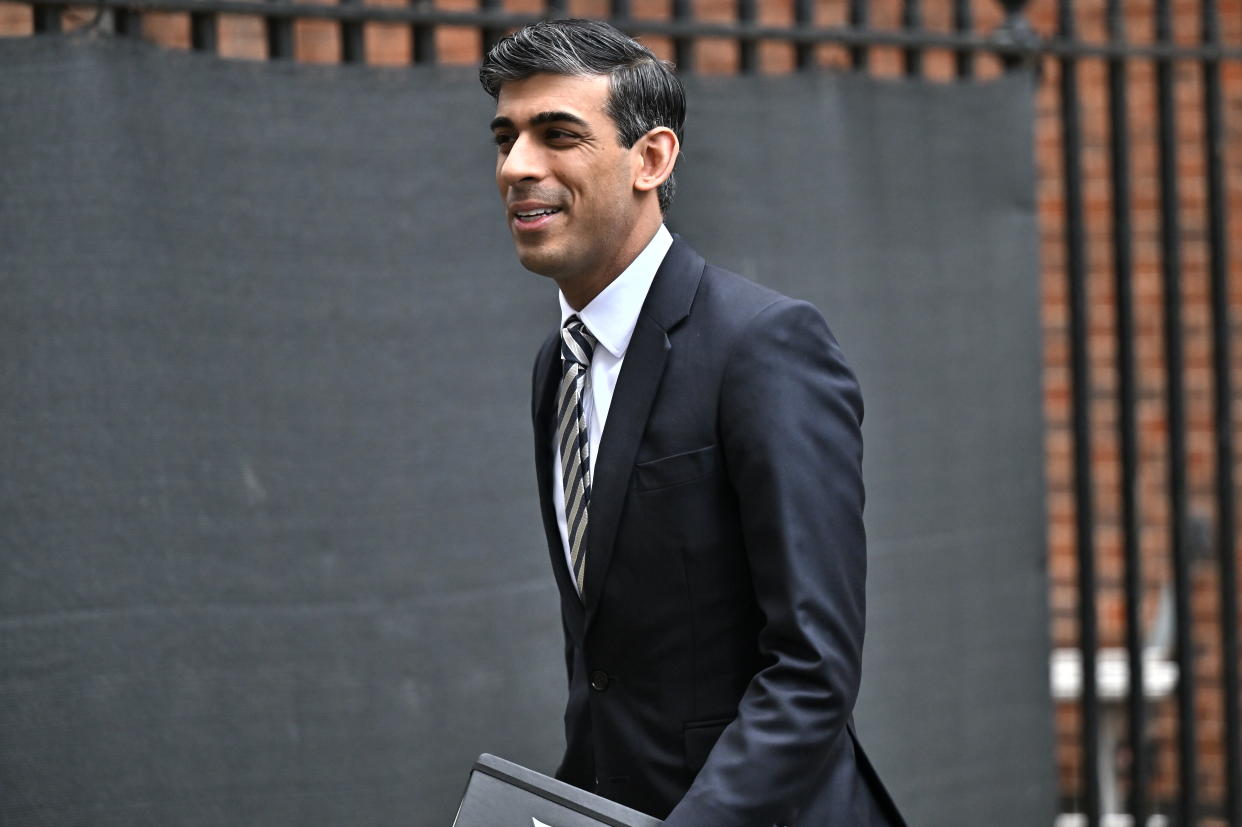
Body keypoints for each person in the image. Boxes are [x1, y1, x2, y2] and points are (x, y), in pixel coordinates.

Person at [480, 19, 906, 827]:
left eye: (557, 134)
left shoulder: (764, 345)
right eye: (505, 138)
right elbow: (608, 671)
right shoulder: (557, 364)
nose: (516, 166)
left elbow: (812, 670)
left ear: (653, 158)